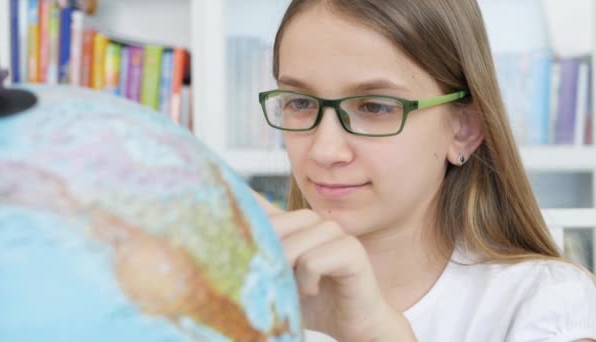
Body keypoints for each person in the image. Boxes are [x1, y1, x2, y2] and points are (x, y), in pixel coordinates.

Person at [252, 0, 596, 341]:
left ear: (464, 129)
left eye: (375, 106)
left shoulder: (544, 304)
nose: (325, 151)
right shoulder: (244, 294)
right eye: (299, 102)